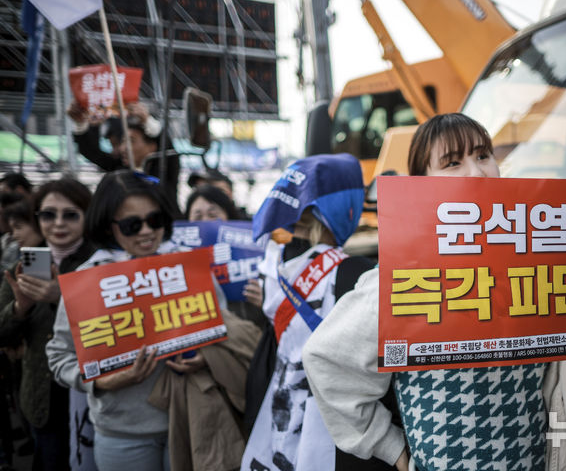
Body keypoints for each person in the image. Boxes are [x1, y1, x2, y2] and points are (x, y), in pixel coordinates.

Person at [303, 113, 566, 470]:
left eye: (484, 154)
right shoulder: (400, 278)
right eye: (452, 163)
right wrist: (395, 452)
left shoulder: (549, 261)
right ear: (421, 186)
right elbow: (327, 360)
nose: (477, 171)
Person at [46, 170, 259, 471]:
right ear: (110, 226)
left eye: (155, 220)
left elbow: (222, 331)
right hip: (122, 436)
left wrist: (205, 356)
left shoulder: (187, 267)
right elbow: (58, 357)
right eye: (132, 225)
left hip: (191, 421)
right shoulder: (87, 281)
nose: (146, 231)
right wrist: (102, 382)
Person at [240, 154, 379, 471]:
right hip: (334, 423)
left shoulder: (272, 264)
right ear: (346, 206)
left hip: (277, 410)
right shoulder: (353, 273)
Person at [0, 178, 96, 471]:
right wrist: (20, 308)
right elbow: (3, 334)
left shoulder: (102, 262)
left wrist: (63, 298)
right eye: (48, 214)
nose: (58, 223)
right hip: (42, 399)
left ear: (86, 216)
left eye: (70, 214)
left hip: (90, 396)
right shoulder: (24, 262)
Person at [67, 101, 180, 213]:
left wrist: (147, 121)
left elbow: (166, 145)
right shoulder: (118, 170)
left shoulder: (164, 169)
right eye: (123, 141)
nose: (123, 148)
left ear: (152, 147)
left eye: (132, 141)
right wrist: (81, 123)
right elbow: (91, 152)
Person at [185, 184, 264, 326]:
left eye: (213, 215)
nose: (205, 222)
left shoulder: (254, 253)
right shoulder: (178, 262)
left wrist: (267, 301)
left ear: (228, 217)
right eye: (197, 216)